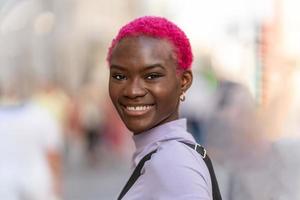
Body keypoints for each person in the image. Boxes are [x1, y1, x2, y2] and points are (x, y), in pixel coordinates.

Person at [107, 16, 221, 200]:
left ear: (184, 82)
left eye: (152, 76)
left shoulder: (173, 163)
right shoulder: (166, 153)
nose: (133, 91)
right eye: (120, 76)